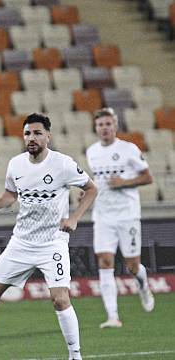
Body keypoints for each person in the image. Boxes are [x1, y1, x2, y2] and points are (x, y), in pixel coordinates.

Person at [0, 114, 98, 360]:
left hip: (52, 243)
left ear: (48, 136)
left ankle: (75, 356)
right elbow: (11, 195)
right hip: (21, 242)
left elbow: (91, 188)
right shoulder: (16, 164)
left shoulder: (63, 164)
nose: (31, 138)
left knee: (60, 299)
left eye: (36, 133)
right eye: (27, 134)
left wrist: (74, 217)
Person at [85, 108, 155, 329]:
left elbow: (147, 177)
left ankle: (142, 284)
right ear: (95, 128)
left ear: (115, 125)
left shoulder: (128, 149)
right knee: (105, 262)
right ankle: (113, 316)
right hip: (103, 215)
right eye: (100, 124)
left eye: (108, 123)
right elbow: (98, 181)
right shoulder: (92, 152)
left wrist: (123, 182)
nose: (104, 128)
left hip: (127, 215)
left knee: (132, 266)